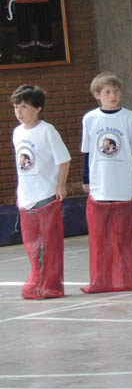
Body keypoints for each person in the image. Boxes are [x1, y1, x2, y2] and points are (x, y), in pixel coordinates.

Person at [80, 72, 132, 294]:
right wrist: (86, 179)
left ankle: (127, 278)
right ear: (97, 95)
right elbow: (87, 152)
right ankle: (101, 279)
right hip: (100, 184)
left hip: (123, 183)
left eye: (116, 91)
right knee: (101, 237)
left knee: (125, 236)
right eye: (107, 92)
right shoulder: (90, 119)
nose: (113, 95)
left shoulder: (130, 118)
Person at [10, 85, 71, 299]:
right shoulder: (17, 132)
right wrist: (20, 193)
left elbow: (64, 160)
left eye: (24, 107)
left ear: (37, 108)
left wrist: (60, 185)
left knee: (48, 244)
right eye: (16, 107)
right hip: (27, 197)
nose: (19, 112)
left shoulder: (47, 131)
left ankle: (50, 284)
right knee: (33, 245)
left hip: (45, 195)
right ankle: (38, 280)